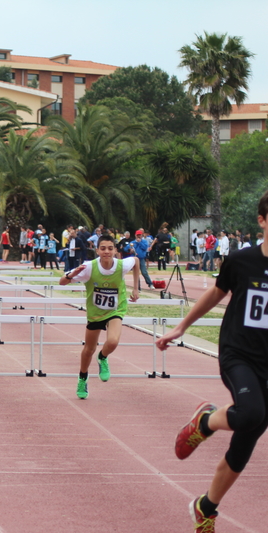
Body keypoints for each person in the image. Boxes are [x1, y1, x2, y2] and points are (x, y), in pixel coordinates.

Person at [156, 190, 268, 533]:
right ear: (262, 221)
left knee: (246, 439)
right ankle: (205, 421)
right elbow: (216, 293)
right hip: (239, 353)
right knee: (250, 413)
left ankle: (206, 507)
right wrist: (181, 326)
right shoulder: (242, 261)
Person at [59, 234, 140, 399]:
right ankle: (83, 377)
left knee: (113, 341)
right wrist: (72, 274)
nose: (107, 252)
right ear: (97, 250)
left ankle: (103, 357)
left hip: (115, 310)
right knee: (88, 350)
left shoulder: (122, 265)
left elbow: (136, 261)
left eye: (110, 248)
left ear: (115, 250)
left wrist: (136, 288)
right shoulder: (89, 267)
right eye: (103, 248)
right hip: (95, 313)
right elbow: (62, 282)